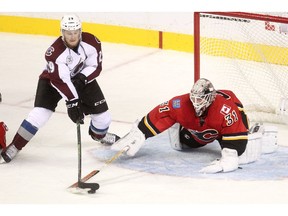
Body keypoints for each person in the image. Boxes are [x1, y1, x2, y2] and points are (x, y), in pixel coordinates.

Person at [0, 14, 119, 163]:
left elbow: (95, 66)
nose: (73, 36)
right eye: (69, 33)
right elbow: (61, 81)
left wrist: (83, 77)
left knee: (103, 118)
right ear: (62, 32)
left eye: (75, 32)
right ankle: (15, 146)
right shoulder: (55, 53)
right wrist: (73, 103)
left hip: (80, 79)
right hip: (52, 81)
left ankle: (100, 136)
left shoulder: (92, 42)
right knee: (39, 114)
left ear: (80, 31)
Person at [111, 78, 278, 173]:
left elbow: (236, 143)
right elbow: (161, 113)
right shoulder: (180, 103)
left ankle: (254, 130)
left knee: (244, 155)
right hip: (206, 127)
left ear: (210, 98)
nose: (195, 102)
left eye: (200, 99)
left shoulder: (226, 110)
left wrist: (230, 157)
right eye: (194, 98)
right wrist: (141, 132)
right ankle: (187, 128)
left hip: (227, 125)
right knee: (186, 143)